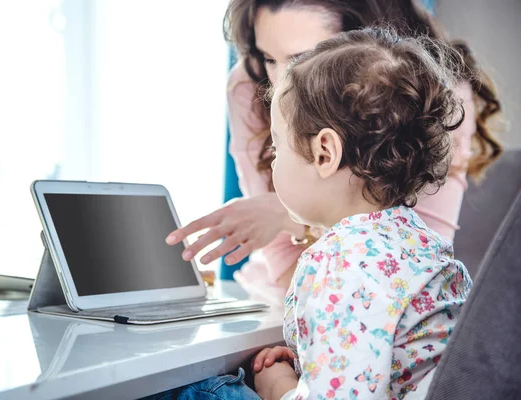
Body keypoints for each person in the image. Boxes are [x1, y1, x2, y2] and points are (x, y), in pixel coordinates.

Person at [153, 27, 471, 400]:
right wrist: (309, 363)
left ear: (325, 153)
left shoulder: (342, 262)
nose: (273, 161)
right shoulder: (419, 243)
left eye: (277, 147)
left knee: (195, 390)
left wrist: (279, 388)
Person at [165, 0, 501, 304]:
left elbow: (409, 276)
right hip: (279, 299)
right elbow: (284, 268)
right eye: (269, 58)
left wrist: (285, 215)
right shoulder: (250, 86)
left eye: (301, 60)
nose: (279, 84)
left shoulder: (434, 95)